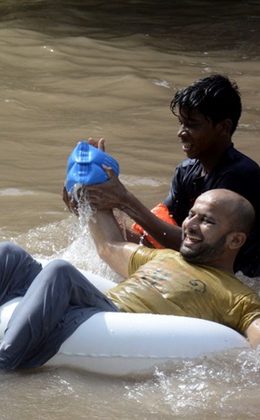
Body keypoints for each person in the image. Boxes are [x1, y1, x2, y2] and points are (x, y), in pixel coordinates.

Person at [0, 189, 260, 372]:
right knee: (7, 252)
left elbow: (255, 343)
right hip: (99, 302)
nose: (190, 225)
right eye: (191, 215)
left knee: (59, 271)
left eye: (207, 221)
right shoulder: (164, 256)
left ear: (235, 240)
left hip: (120, 320)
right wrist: (92, 187)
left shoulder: (237, 295)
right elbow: (109, 245)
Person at [69, 75, 260, 277]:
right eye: (181, 123)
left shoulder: (239, 176)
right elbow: (157, 237)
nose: (181, 132)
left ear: (224, 127)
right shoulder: (186, 171)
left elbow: (201, 249)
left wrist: (124, 200)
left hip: (239, 281)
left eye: (191, 124)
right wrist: (93, 206)